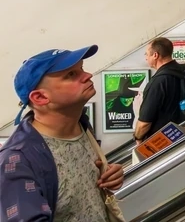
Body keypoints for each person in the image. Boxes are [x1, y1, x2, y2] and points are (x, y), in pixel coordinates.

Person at [0, 45, 125, 221]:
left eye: (81, 69)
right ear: (40, 98)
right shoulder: (17, 162)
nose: (88, 75)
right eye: (71, 75)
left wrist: (110, 174)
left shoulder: (80, 124)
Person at [133, 37, 185, 145]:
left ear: (155, 55)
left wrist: (138, 138)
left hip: (164, 141)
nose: (146, 58)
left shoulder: (158, 82)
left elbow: (144, 124)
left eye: (146, 54)